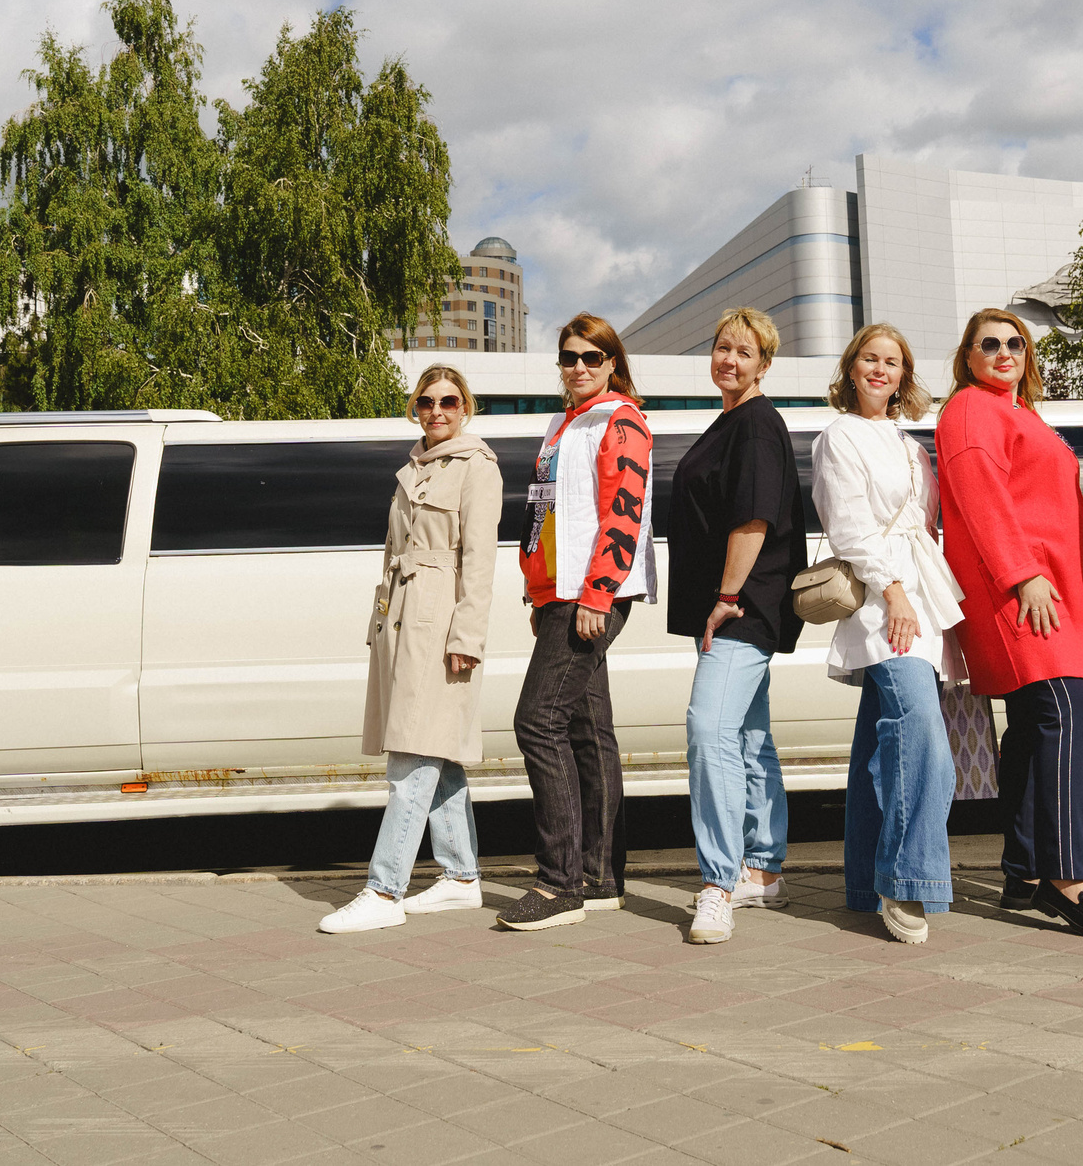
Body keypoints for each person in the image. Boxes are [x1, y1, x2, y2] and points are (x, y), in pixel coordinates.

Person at [936, 307, 1083, 940]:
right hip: (1021, 590)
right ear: (967, 357)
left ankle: (1021, 870)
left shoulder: (1021, 412)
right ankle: (1065, 877)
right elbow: (979, 496)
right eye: (987, 343)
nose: (1002, 352)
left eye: (1014, 342)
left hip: (1051, 589)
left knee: (1030, 726)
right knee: (1063, 712)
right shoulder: (970, 408)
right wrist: (1021, 574)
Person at [321, 366, 503, 932]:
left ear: (466, 405)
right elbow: (393, 553)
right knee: (437, 750)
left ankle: (384, 888)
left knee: (412, 755)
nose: (438, 411)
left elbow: (480, 561)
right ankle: (460, 876)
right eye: (427, 401)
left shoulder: (478, 467)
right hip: (399, 621)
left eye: (449, 401)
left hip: (440, 622)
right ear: (414, 407)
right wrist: (378, 623)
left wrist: (467, 637)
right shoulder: (412, 468)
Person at [499, 314, 654, 931]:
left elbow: (623, 514)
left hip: (591, 595)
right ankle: (600, 876)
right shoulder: (561, 424)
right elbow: (543, 518)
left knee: (536, 722)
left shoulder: (620, 422)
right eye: (570, 358)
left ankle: (558, 881)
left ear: (613, 362)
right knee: (589, 734)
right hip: (559, 595)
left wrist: (596, 595)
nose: (581, 367)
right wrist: (538, 595)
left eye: (593, 356)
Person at [812, 322, 964, 944]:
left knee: (878, 747)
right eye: (870, 360)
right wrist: (894, 592)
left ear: (904, 376)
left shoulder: (908, 442)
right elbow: (848, 526)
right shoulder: (838, 436)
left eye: (893, 363)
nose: (881, 370)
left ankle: (860, 882)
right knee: (921, 734)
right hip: (884, 599)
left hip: (922, 594)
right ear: (852, 369)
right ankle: (907, 882)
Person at [669, 307, 808, 945]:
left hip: (743, 608)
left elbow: (752, 520)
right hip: (739, 607)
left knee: (710, 731)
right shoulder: (731, 421)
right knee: (749, 737)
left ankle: (718, 885)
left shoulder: (754, 425)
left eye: (744, 352)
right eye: (722, 347)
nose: (729, 359)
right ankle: (763, 868)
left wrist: (726, 595)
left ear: (764, 364)